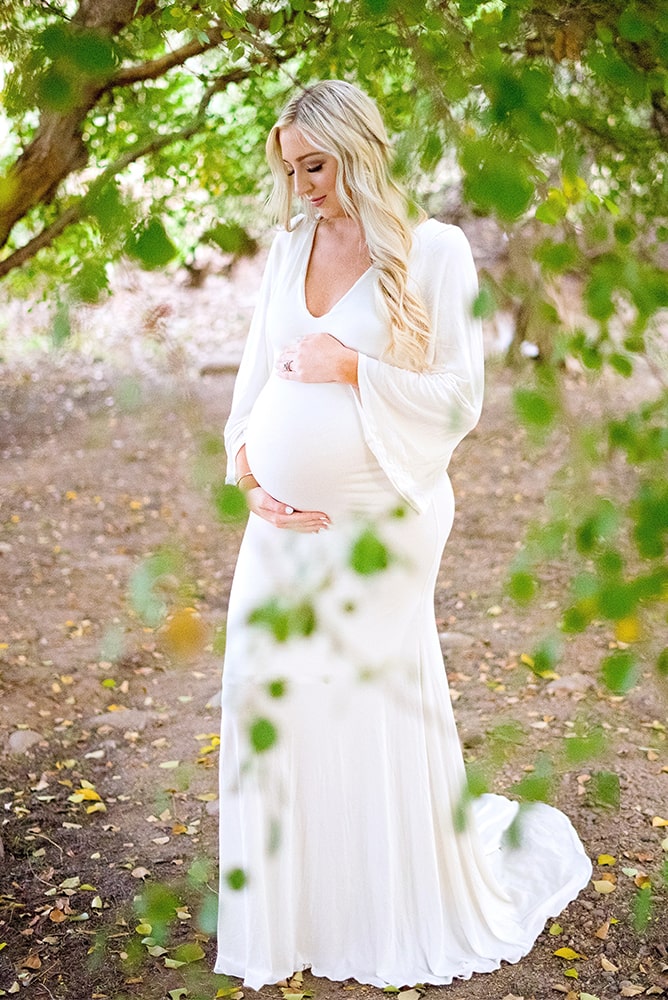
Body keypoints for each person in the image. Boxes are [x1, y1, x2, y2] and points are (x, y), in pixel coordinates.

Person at [215, 80, 591, 990]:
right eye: (291, 169)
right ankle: (292, 919)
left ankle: (376, 915)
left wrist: (350, 365)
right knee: (263, 690)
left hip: (384, 521)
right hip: (283, 528)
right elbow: (255, 376)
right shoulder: (291, 245)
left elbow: (460, 397)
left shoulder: (436, 251)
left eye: (316, 165)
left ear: (358, 149)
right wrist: (251, 476)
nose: (303, 186)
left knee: (356, 700)